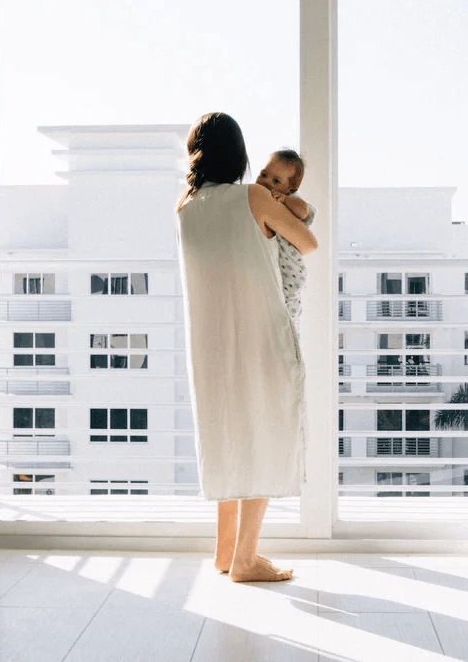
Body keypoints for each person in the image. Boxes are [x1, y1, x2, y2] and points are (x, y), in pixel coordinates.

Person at [175, 113, 317, 583]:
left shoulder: (186, 206)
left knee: (228, 440)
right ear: (239, 154)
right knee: (266, 434)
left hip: (211, 344)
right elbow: (308, 243)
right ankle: (247, 558)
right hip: (260, 336)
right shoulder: (253, 196)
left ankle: (224, 553)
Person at [256, 149, 316, 329]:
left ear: (291, 188)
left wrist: (285, 200)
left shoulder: (291, 199)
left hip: (291, 265)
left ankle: (290, 326)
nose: (266, 182)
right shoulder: (260, 197)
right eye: (263, 174)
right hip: (276, 261)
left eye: (276, 181)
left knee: (288, 303)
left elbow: (304, 211)